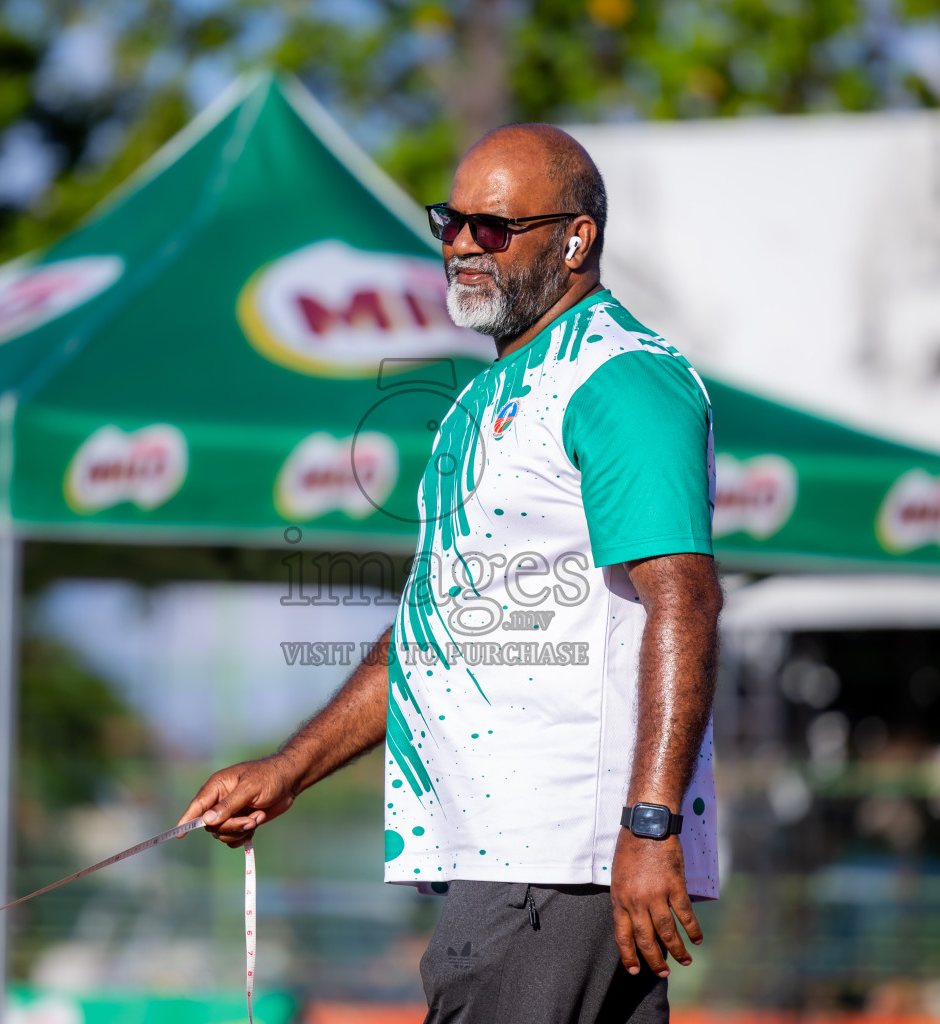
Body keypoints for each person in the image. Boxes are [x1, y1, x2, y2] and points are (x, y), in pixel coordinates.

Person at [180, 123, 722, 1024]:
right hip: (505, 858)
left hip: (561, 858)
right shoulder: (485, 394)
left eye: (493, 228)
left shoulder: (621, 379)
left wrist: (650, 825)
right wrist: (289, 769)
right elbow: (435, 629)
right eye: (450, 222)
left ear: (576, 240)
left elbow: (687, 604)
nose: (462, 246)